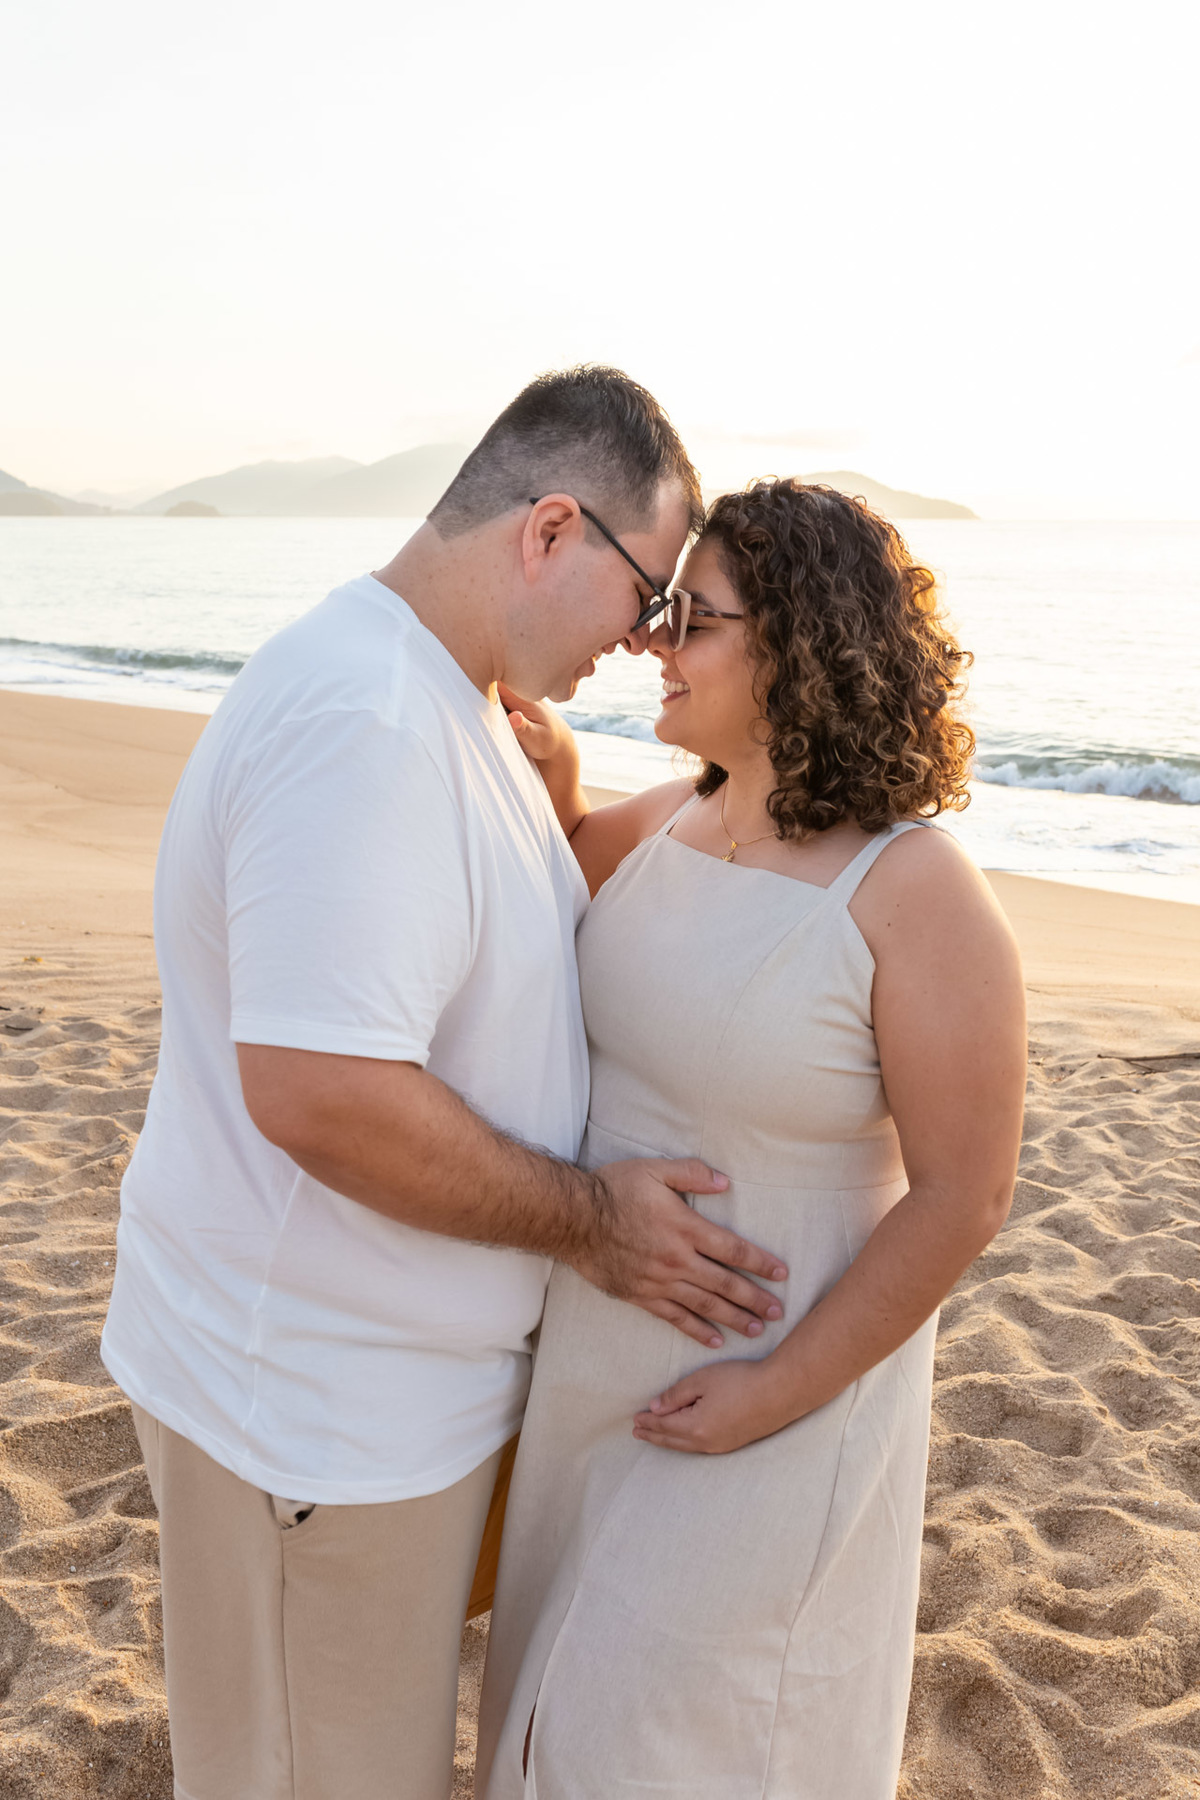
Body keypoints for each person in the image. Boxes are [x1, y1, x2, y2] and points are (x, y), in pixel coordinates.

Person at [100, 368, 790, 1800]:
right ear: (553, 532)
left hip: (360, 1413)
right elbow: (322, 1093)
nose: (647, 636)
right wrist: (595, 1221)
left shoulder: (447, 699)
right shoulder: (371, 725)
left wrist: (560, 804)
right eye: (649, 591)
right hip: (303, 1415)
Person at [477, 479, 1028, 1799]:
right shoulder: (674, 817)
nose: (656, 643)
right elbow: (544, 867)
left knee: (673, 1743)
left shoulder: (912, 887)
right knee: (551, 1724)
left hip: (777, 1397)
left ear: (797, 650)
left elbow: (965, 1193)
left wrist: (778, 1392)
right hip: (598, 1367)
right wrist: (546, 775)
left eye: (694, 620)